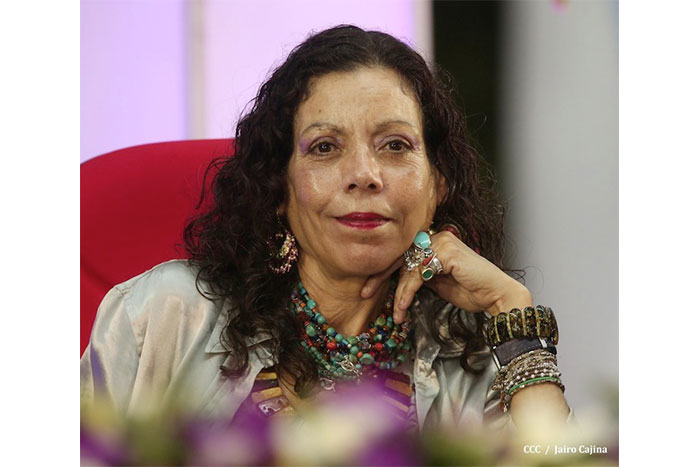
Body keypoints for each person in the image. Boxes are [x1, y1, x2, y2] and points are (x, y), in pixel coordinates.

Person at [80, 25, 571, 438]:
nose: (364, 174)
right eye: (324, 148)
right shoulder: (165, 315)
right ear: (280, 187)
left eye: (395, 145)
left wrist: (514, 316)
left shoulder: (476, 355)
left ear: (437, 187)